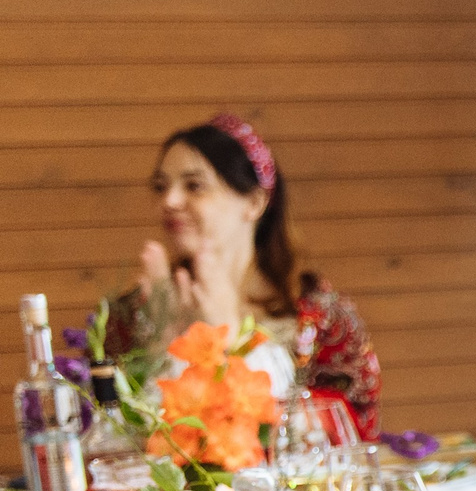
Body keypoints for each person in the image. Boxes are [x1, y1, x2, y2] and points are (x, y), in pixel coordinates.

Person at [101, 115, 382, 435]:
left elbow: (353, 428)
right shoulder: (138, 309)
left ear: (254, 202)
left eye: (194, 186)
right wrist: (156, 349)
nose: (170, 201)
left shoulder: (316, 313)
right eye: (161, 187)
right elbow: (103, 434)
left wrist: (233, 340)